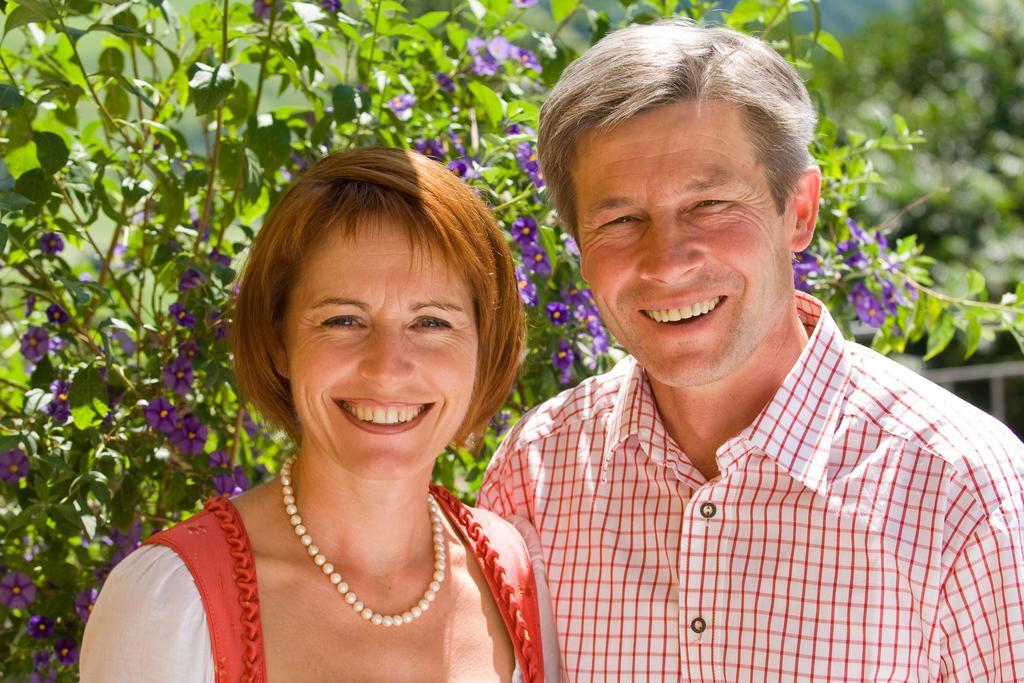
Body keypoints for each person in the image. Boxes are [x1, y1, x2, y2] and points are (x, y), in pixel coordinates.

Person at [478, 19, 1024, 681]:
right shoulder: (535, 476)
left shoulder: (960, 492)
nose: (666, 261)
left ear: (798, 210)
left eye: (709, 203)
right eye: (621, 220)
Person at [82, 148, 559, 682]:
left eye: (430, 323)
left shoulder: (522, 581)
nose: (387, 369)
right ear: (279, 340)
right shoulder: (169, 604)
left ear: (484, 346)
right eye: (342, 320)